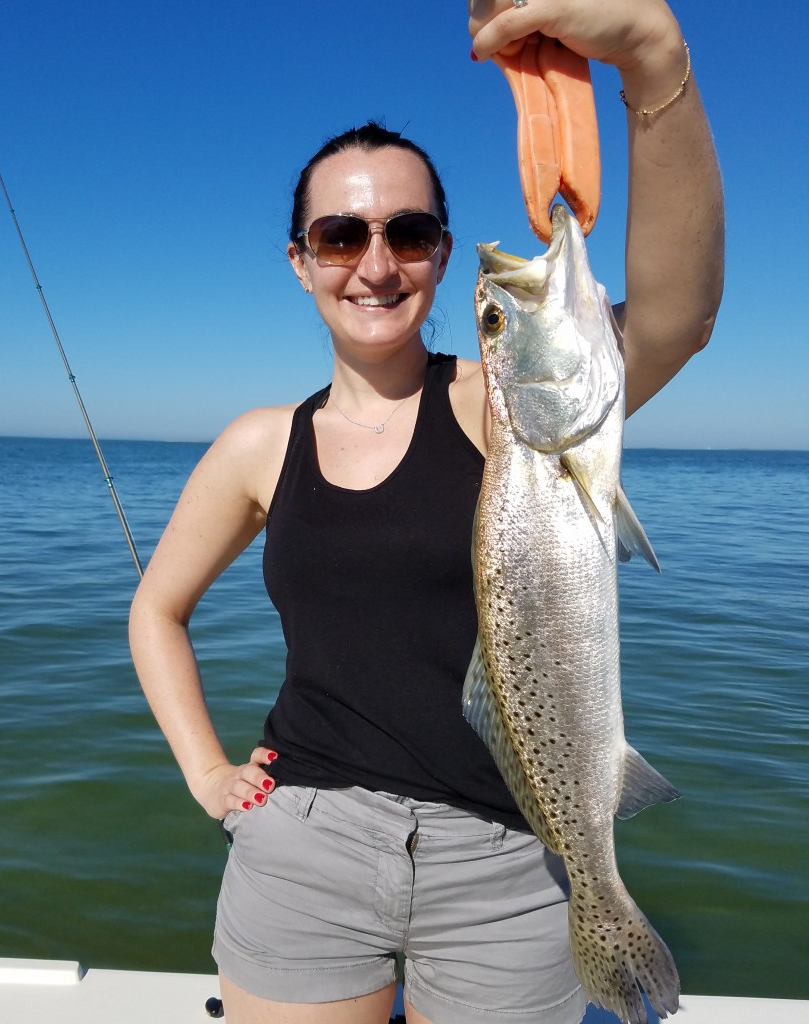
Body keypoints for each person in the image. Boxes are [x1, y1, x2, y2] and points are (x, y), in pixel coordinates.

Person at [128, 1, 724, 1021]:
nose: (374, 263)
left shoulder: (516, 411)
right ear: (298, 258)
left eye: (406, 232)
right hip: (302, 850)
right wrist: (208, 773)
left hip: (506, 860)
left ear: (442, 252)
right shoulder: (256, 444)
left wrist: (651, 58)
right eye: (338, 234)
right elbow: (155, 611)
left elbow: (677, 315)